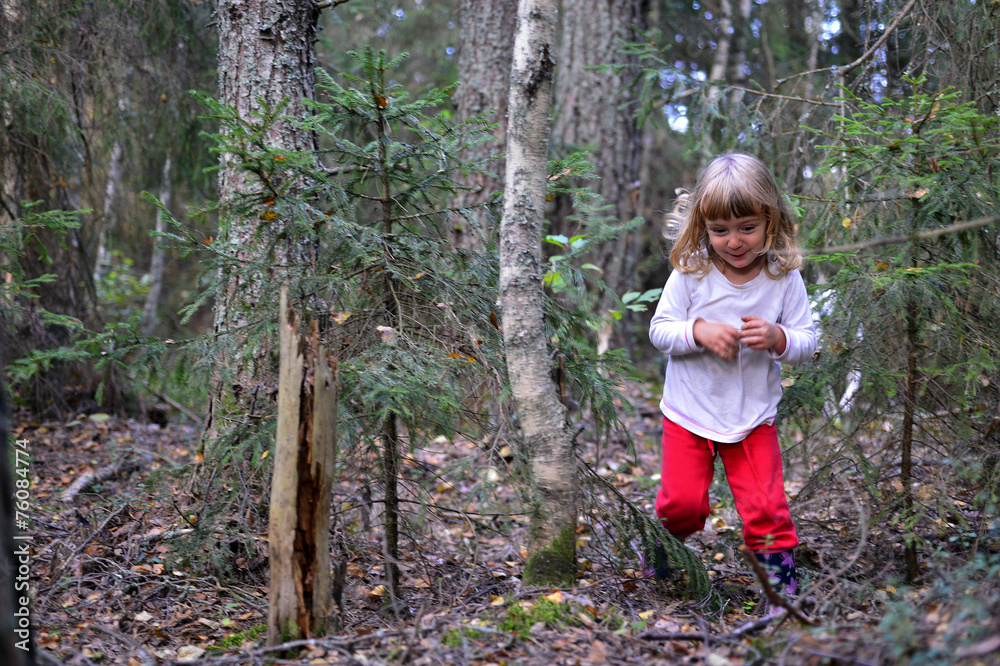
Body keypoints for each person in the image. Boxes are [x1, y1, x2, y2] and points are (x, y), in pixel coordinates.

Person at [648, 152, 816, 608]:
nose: (734, 241)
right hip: (689, 411)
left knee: (766, 508)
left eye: (747, 227)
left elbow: (806, 340)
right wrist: (698, 331)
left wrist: (779, 337)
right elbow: (660, 331)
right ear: (703, 226)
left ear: (770, 221)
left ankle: (781, 594)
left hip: (752, 415)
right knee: (682, 506)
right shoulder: (692, 272)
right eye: (720, 230)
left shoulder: (783, 278)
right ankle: (661, 557)